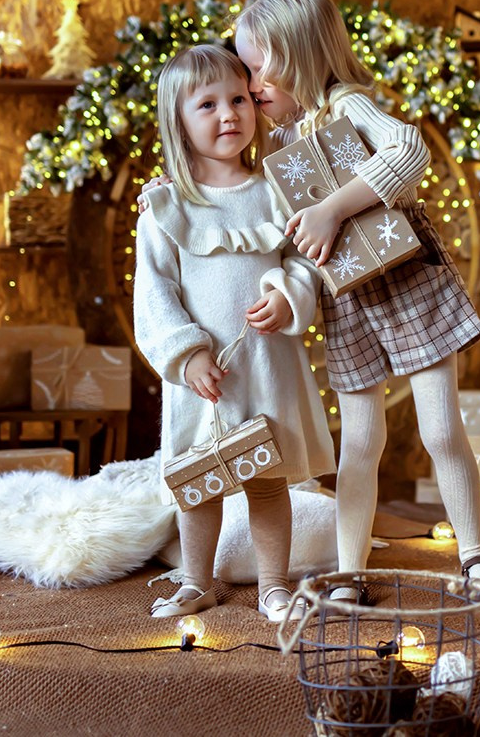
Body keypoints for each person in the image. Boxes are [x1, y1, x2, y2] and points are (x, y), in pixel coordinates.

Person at [234, 0, 480, 604]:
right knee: (359, 442)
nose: (251, 86)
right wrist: (169, 194)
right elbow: (264, 214)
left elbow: (408, 150)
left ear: (299, 52)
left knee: (440, 429)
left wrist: (334, 208)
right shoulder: (277, 146)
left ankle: (475, 556)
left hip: (407, 278)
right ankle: (349, 571)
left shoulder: (348, 106)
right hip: (346, 300)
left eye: (257, 68)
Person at [133, 44, 334, 622]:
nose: (229, 114)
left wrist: (286, 293)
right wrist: (187, 353)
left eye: (239, 99)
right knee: (199, 483)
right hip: (205, 380)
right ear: (178, 121)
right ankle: (197, 582)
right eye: (208, 105)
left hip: (267, 365)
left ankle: (273, 585)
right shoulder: (167, 207)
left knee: (268, 482)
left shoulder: (275, 191)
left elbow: (305, 260)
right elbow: (154, 293)